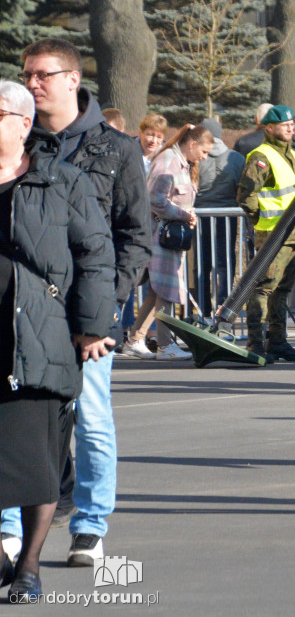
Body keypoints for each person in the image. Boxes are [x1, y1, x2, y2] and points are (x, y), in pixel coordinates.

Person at [4, 39, 151, 572]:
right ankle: (12, 531)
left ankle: (89, 526)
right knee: (19, 419)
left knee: (89, 419)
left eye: (42, 74)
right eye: (27, 74)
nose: (32, 83)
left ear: (72, 78)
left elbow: (134, 236)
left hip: (89, 312)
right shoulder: (21, 141)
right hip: (25, 308)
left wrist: (104, 311)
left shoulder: (116, 149)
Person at [0, 80, 116, 602]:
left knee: (37, 457)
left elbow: (95, 254)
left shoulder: (62, 180)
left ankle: (28, 565)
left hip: (38, 332)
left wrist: (92, 327)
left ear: (23, 124)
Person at [122, 125, 211, 360]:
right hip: (159, 236)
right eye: (203, 151)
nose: (205, 157)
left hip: (167, 236)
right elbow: (154, 199)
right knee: (166, 291)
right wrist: (184, 215)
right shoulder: (168, 161)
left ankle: (134, 339)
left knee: (157, 290)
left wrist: (185, 214)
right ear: (191, 144)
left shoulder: (181, 162)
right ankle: (164, 345)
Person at [236, 104, 295, 362]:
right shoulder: (262, 156)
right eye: (284, 125)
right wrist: (262, 220)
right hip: (274, 235)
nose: (290, 128)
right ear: (269, 128)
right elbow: (246, 196)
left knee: (282, 291)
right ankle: (255, 344)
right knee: (263, 288)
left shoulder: (294, 154)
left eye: (292, 124)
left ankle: (277, 341)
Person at [193, 117, 245, 318]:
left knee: (202, 263)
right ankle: (224, 307)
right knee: (225, 262)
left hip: (200, 216)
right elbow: (241, 189)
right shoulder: (236, 158)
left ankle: (202, 308)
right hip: (228, 215)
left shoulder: (197, 157)